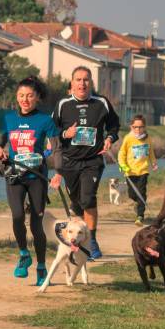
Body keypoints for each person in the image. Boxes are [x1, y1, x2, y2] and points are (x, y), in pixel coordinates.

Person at [0, 77, 60, 286]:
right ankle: (24, 254)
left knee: (36, 225)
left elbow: (56, 147)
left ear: (37, 98)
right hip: (15, 175)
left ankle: (41, 267)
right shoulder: (9, 118)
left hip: (37, 178)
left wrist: (58, 172)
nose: (25, 99)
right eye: (21, 95)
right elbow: (2, 138)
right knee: (17, 216)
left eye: (30, 95)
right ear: (17, 97)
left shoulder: (45, 121)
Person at [49, 66, 120, 260]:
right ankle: (79, 239)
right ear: (71, 83)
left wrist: (110, 138)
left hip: (93, 160)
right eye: (78, 80)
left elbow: (114, 125)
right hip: (69, 161)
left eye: (86, 80)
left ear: (91, 83)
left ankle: (92, 240)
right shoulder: (63, 104)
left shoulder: (101, 103)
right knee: (77, 203)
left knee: (88, 198)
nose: (82, 83)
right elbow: (52, 131)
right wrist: (66, 134)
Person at [118, 114, 158, 226]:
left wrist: (153, 162)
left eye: (140, 127)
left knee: (142, 193)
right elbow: (122, 153)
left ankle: (140, 216)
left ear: (144, 127)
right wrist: (123, 165)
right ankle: (138, 203)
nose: (138, 129)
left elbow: (151, 152)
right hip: (130, 171)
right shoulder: (128, 138)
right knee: (132, 194)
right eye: (135, 127)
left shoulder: (148, 138)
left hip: (143, 171)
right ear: (131, 127)